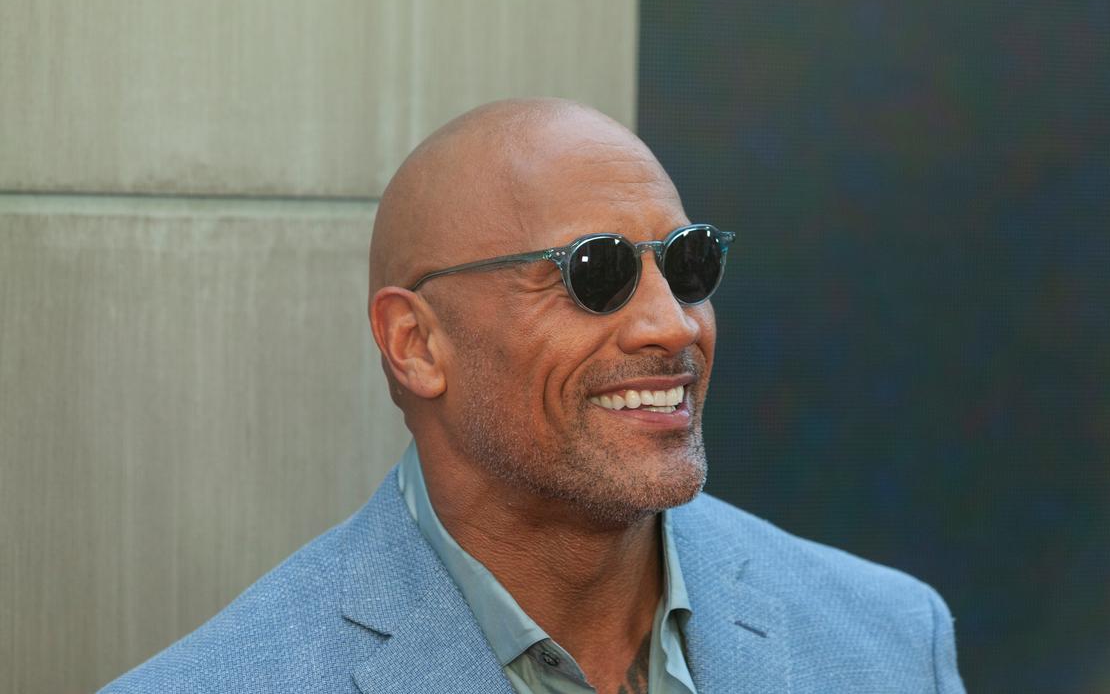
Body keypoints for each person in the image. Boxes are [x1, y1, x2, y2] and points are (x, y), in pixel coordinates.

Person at [103, 99, 964, 693]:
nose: (673, 323)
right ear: (416, 343)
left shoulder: (891, 641)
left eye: (689, 264)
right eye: (597, 272)